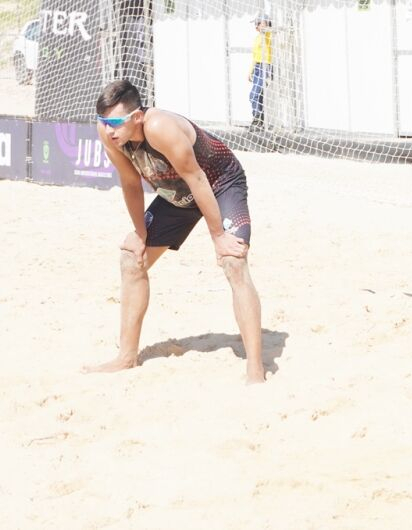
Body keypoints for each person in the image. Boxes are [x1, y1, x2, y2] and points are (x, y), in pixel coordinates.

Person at [85, 80, 265, 383]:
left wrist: (218, 235)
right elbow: (130, 184)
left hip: (219, 184)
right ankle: (126, 356)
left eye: (116, 121)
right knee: (132, 260)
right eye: (104, 121)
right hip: (177, 194)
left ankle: (256, 368)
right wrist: (140, 233)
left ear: (137, 118)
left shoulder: (160, 127)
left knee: (233, 263)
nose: (109, 129)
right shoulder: (108, 134)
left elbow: (196, 177)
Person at [248, 14, 273, 129]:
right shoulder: (257, 38)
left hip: (265, 66)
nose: (255, 26)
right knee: (258, 95)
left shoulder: (267, 35)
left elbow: (268, 30)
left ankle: (257, 118)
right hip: (257, 67)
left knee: (254, 95)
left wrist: (265, 24)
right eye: (256, 24)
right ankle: (260, 121)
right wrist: (250, 71)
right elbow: (254, 56)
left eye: (257, 23)